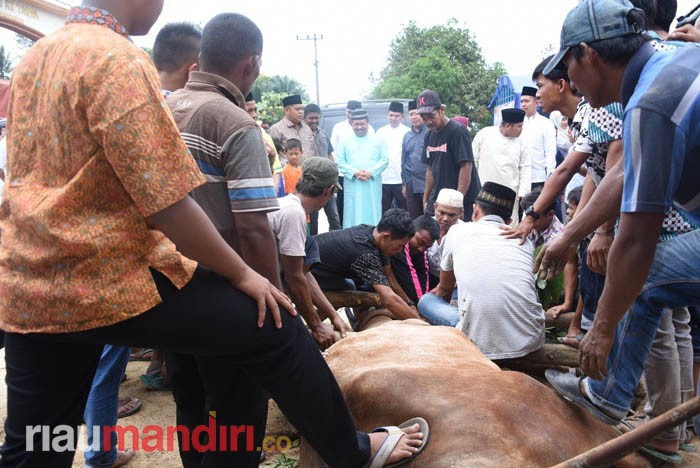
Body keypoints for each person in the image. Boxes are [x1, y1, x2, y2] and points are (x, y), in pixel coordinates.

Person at [0, 4, 428, 467]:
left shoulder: (37, 58)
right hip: (105, 275)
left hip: (30, 282)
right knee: (276, 327)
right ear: (251, 65)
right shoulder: (118, 60)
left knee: (36, 443)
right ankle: (353, 451)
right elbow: (168, 202)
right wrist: (244, 275)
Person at [534, 2, 699, 461]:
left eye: (567, 66)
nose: (570, 81)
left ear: (588, 54)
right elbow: (623, 171)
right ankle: (609, 395)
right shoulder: (671, 62)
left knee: (639, 276)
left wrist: (601, 329)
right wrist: (569, 236)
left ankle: (606, 392)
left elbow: (639, 238)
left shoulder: (651, 103)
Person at [418, 182, 545, 361]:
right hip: (530, 339)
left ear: (475, 210)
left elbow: (444, 289)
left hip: (479, 342)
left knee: (427, 301)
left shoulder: (457, 232)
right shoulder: (525, 242)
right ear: (509, 221)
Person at [268, 157, 351, 349]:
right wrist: (317, 326)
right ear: (328, 191)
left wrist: (333, 315)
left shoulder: (286, 204)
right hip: (265, 292)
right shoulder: (293, 212)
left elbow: (303, 273)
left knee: (310, 244)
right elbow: (294, 277)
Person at [311, 209, 423, 327]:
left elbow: (389, 277)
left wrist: (409, 303)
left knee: (351, 286)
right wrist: (421, 325)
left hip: (318, 268)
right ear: (386, 236)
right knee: (348, 288)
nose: (400, 250)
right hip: (308, 272)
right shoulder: (365, 253)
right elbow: (389, 299)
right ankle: (314, 324)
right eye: (399, 245)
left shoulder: (373, 233)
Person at [418, 89, 481, 221]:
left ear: (441, 110)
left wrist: (457, 202)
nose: (428, 122)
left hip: (462, 199)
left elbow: (466, 167)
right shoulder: (428, 135)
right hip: (441, 198)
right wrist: (426, 198)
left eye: (431, 116)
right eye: (424, 118)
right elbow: (430, 169)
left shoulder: (457, 131)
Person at [472, 108, 530, 225]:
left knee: (508, 226)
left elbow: (525, 168)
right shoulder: (485, 134)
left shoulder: (522, 143)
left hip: (509, 194)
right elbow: (474, 160)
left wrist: (523, 193)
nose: (521, 130)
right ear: (508, 125)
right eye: (519, 126)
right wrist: (475, 185)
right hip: (485, 192)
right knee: (482, 223)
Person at [335, 109, 389, 228]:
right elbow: (339, 161)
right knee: (352, 213)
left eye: (362, 124)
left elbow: (384, 160)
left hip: (372, 184)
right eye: (356, 124)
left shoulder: (378, 139)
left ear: (368, 123)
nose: (359, 127)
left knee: (372, 211)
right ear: (351, 124)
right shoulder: (345, 140)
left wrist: (371, 172)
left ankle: (372, 235)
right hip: (353, 183)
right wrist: (354, 172)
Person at [330, 100, 374, 224]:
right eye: (349, 112)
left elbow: (372, 152)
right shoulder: (338, 127)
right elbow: (334, 151)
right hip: (343, 174)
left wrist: (363, 172)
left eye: (353, 113)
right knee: (344, 206)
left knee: (363, 205)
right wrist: (348, 170)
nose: (350, 115)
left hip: (364, 175)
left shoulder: (369, 129)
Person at [385, 215, 440, 306]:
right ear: (411, 232)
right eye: (420, 242)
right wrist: (419, 304)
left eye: (427, 247)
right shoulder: (399, 246)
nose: (421, 249)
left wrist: (423, 300)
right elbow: (407, 278)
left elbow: (423, 273)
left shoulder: (419, 250)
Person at [304, 103, 341, 233]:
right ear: (304, 118)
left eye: (317, 118)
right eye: (311, 118)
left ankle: (335, 241)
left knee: (334, 217)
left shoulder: (323, 133)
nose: (314, 121)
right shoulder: (302, 134)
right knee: (313, 218)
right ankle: (314, 243)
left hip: (327, 182)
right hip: (311, 183)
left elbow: (330, 155)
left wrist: (334, 174)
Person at [425, 189, 465, 288]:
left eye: (451, 215)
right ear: (435, 207)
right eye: (441, 213)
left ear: (461, 213)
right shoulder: (424, 226)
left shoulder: (465, 233)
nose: (445, 219)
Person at [519, 86, 557, 190]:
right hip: (519, 178)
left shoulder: (546, 124)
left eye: (527, 101)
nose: (523, 104)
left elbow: (550, 152)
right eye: (521, 101)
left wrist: (550, 176)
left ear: (536, 103)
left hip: (539, 178)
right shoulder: (517, 123)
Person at [377, 101, 410, 213]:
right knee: (383, 211)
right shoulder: (380, 132)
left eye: (396, 116)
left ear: (402, 117)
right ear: (387, 116)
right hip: (383, 178)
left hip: (400, 180)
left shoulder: (407, 132)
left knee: (404, 210)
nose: (393, 118)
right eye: (391, 115)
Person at [246, 92, 283, 184]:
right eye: (249, 111)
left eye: (255, 110)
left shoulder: (265, 136)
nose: (254, 115)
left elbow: (276, 171)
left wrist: (273, 190)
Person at [401, 100, 429, 219]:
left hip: (427, 183)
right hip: (411, 183)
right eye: (411, 114)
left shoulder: (430, 133)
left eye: (417, 113)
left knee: (427, 217)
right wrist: (404, 183)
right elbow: (404, 161)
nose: (414, 117)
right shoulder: (407, 136)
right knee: (413, 218)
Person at [268, 94, 317, 160]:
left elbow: (313, 151)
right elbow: (273, 155)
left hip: (309, 166)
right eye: (297, 109)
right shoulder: (276, 129)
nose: (301, 112)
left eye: (302, 109)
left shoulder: (306, 128)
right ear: (287, 111)